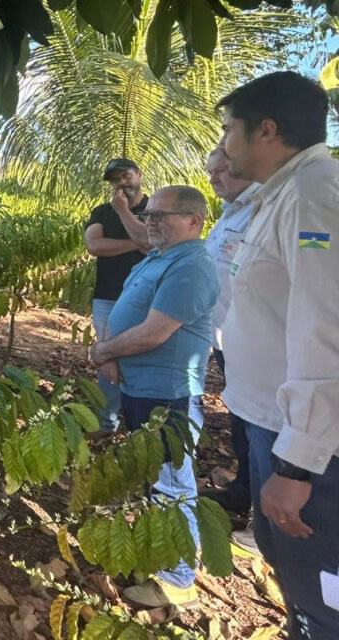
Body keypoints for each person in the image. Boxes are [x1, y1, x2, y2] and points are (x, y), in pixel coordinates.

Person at [218, 71, 339, 639]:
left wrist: (298, 463)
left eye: (227, 131)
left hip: (307, 446)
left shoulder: (316, 193)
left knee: (322, 588)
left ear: (266, 130)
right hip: (270, 422)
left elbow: (328, 329)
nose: (222, 145)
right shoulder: (279, 195)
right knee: (291, 573)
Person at [89, 185, 219, 609]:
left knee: (170, 485)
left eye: (163, 215)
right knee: (152, 479)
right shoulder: (159, 258)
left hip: (170, 397)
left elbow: (154, 332)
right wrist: (108, 354)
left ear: (195, 221)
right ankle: (157, 556)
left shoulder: (192, 266)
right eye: (150, 216)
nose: (152, 221)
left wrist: (104, 350)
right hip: (139, 388)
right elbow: (125, 308)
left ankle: (178, 580)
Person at [200, 148, 262, 553]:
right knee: (242, 425)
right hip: (226, 341)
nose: (214, 178)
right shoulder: (227, 213)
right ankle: (244, 493)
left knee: (263, 429)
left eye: (221, 169)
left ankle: (265, 528)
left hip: (258, 344)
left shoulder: (263, 207)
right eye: (210, 172)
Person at [83, 158, 149, 430]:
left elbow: (151, 242)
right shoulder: (101, 212)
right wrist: (137, 242)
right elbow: (94, 245)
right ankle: (106, 422)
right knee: (107, 356)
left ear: (139, 175)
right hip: (108, 296)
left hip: (147, 298)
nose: (121, 183)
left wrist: (123, 212)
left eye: (126, 176)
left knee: (143, 355)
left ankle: (141, 422)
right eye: (115, 179)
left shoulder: (156, 209)